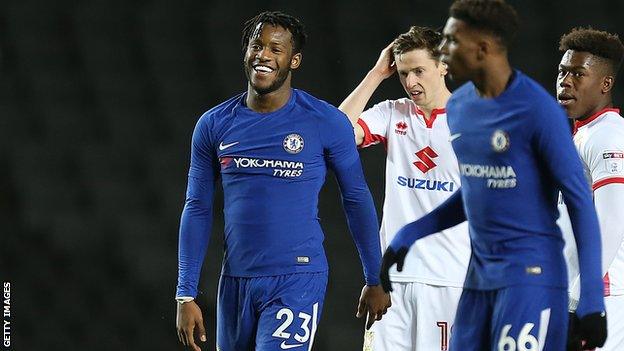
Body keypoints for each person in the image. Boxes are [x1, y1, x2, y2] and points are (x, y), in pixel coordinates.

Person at [379, 0, 607, 350]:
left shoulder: (537, 110)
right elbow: (477, 190)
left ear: (483, 48)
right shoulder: (460, 107)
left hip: (530, 280)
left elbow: (579, 201)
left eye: (453, 41)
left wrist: (592, 298)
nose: (443, 49)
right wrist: (412, 232)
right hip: (478, 280)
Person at [174, 11, 390, 351]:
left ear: (294, 60)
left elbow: (357, 198)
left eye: (276, 49)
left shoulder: (325, 121)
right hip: (235, 281)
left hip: (297, 278)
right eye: (257, 46)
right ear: (245, 51)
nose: (264, 55)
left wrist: (374, 277)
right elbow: (197, 207)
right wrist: (185, 293)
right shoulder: (213, 124)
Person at [338, 26, 470, 351]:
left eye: (419, 71)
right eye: (404, 73)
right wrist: (375, 74)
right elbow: (335, 133)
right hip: (390, 283)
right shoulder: (392, 113)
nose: (410, 82)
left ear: (444, 65)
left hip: (449, 281)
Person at [555, 27, 624, 351]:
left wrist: (580, 301)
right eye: (562, 72)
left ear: (605, 84)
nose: (565, 81)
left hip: (602, 297)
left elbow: (611, 223)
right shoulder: (583, 135)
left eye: (578, 74)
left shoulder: (609, 137)